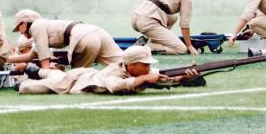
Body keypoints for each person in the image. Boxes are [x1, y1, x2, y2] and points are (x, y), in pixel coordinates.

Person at [17, 45, 199, 95]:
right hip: (73, 83)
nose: (148, 68)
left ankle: (33, 69)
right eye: (145, 64)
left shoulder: (139, 71)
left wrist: (182, 78)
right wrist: (143, 80)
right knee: (26, 88)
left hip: (79, 74)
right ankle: (27, 72)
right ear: (132, 65)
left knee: (54, 72)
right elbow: (114, 87)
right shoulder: (116, 73)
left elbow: (159, 79)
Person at [10, 9, 122, 69]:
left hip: (83, 37)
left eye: (18, 27)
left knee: (78, 79)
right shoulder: (44, 27)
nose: (19, 31)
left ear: (24, 24)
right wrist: (6, 59)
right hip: (97, 32)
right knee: (125, 64)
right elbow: (30, 56)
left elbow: (44, 57)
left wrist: (46, 75)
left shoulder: (36, 26)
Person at [131, 0, 205, 55]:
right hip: (147, 22)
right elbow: (184, 23)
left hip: (136, 17)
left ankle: (152, 42)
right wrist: (189, 46)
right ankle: (145, 48)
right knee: (181, 50)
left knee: (173, 17)